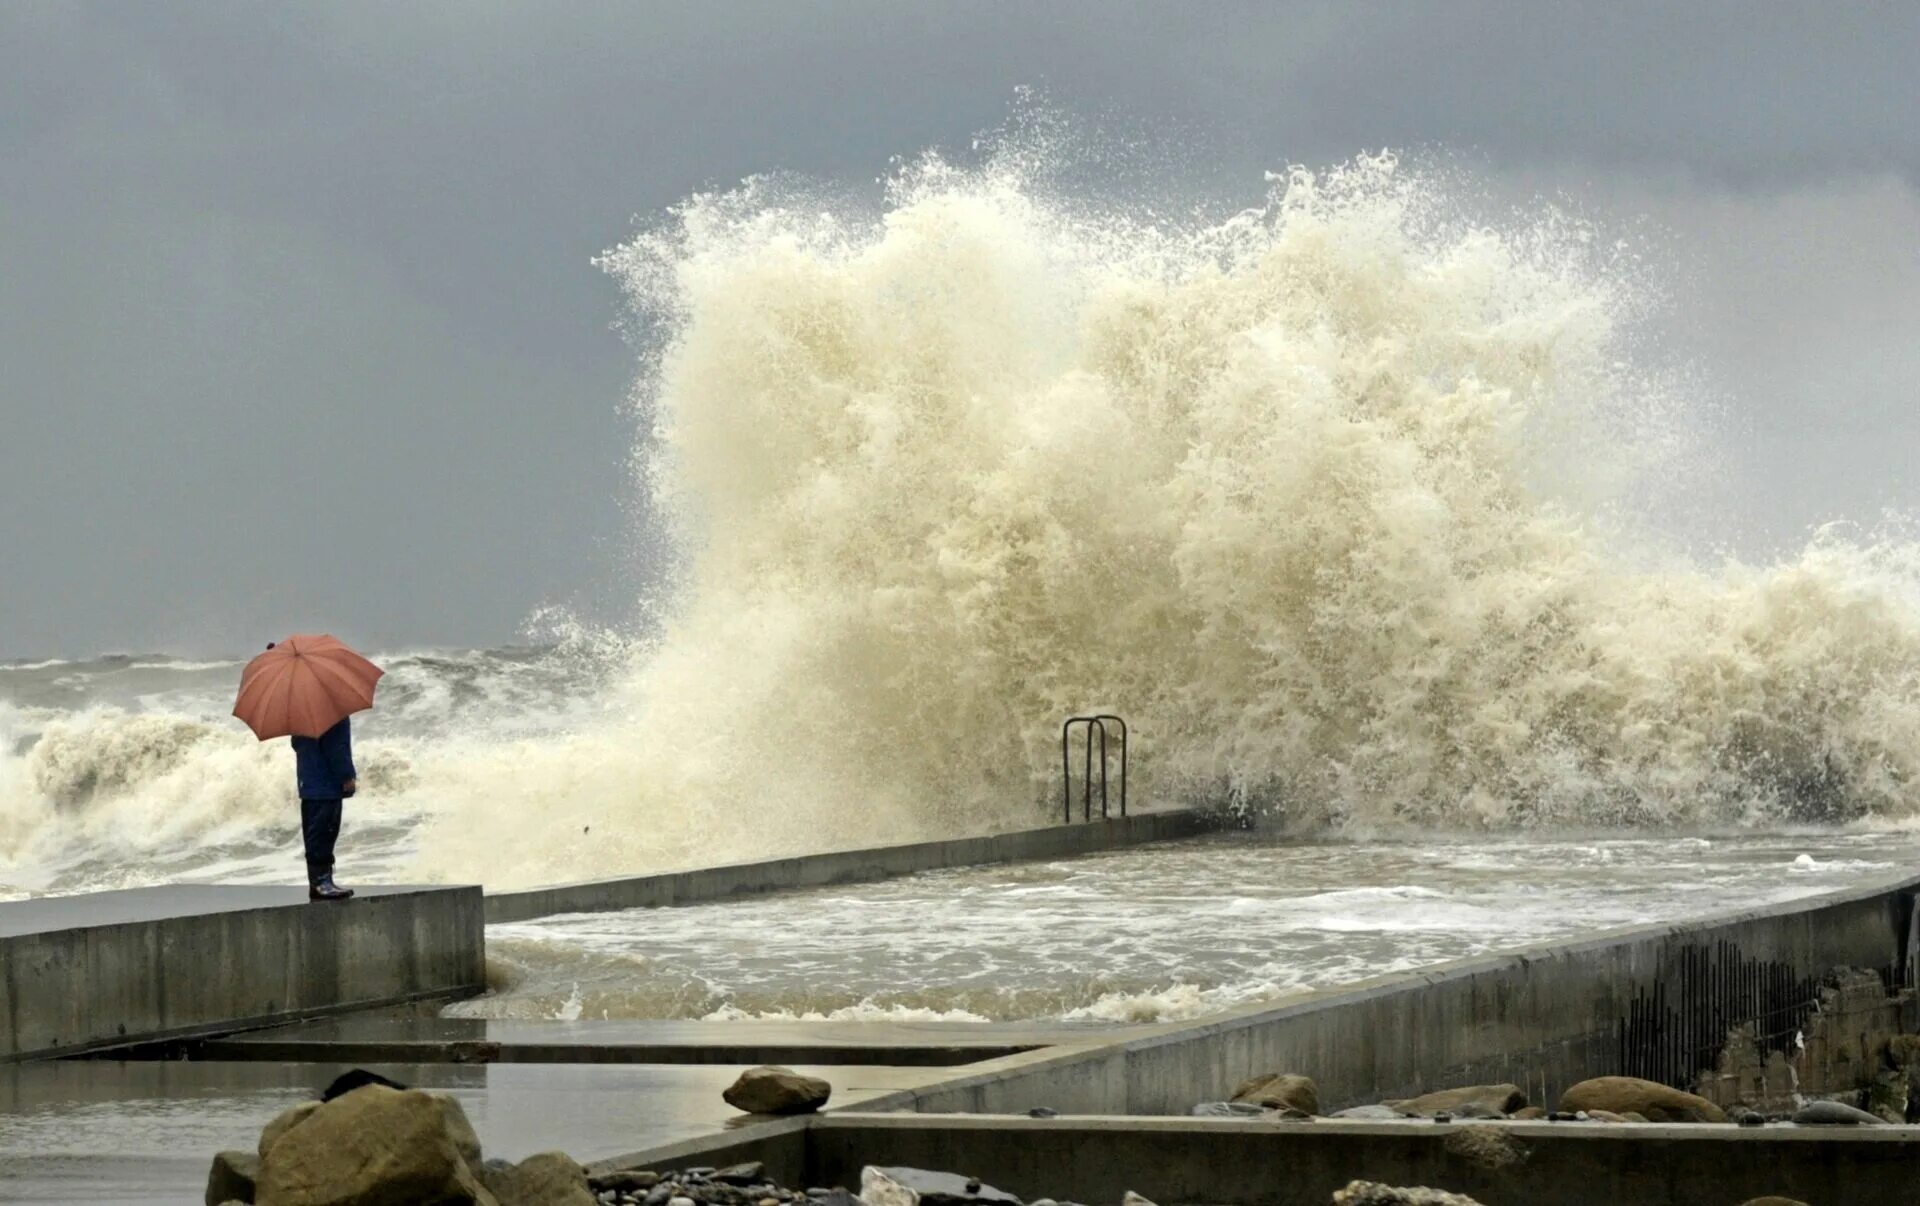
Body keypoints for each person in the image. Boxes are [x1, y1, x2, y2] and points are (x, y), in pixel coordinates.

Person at [291, 713, 357, 901]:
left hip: (309, 782)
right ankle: (321, 882)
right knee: (324, 832)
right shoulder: (333, 714)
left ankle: (319, 881)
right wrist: (347, 775)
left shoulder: (300, 715)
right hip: (325, 784)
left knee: (315, 833)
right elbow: (337, 747)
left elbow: (297, 744)